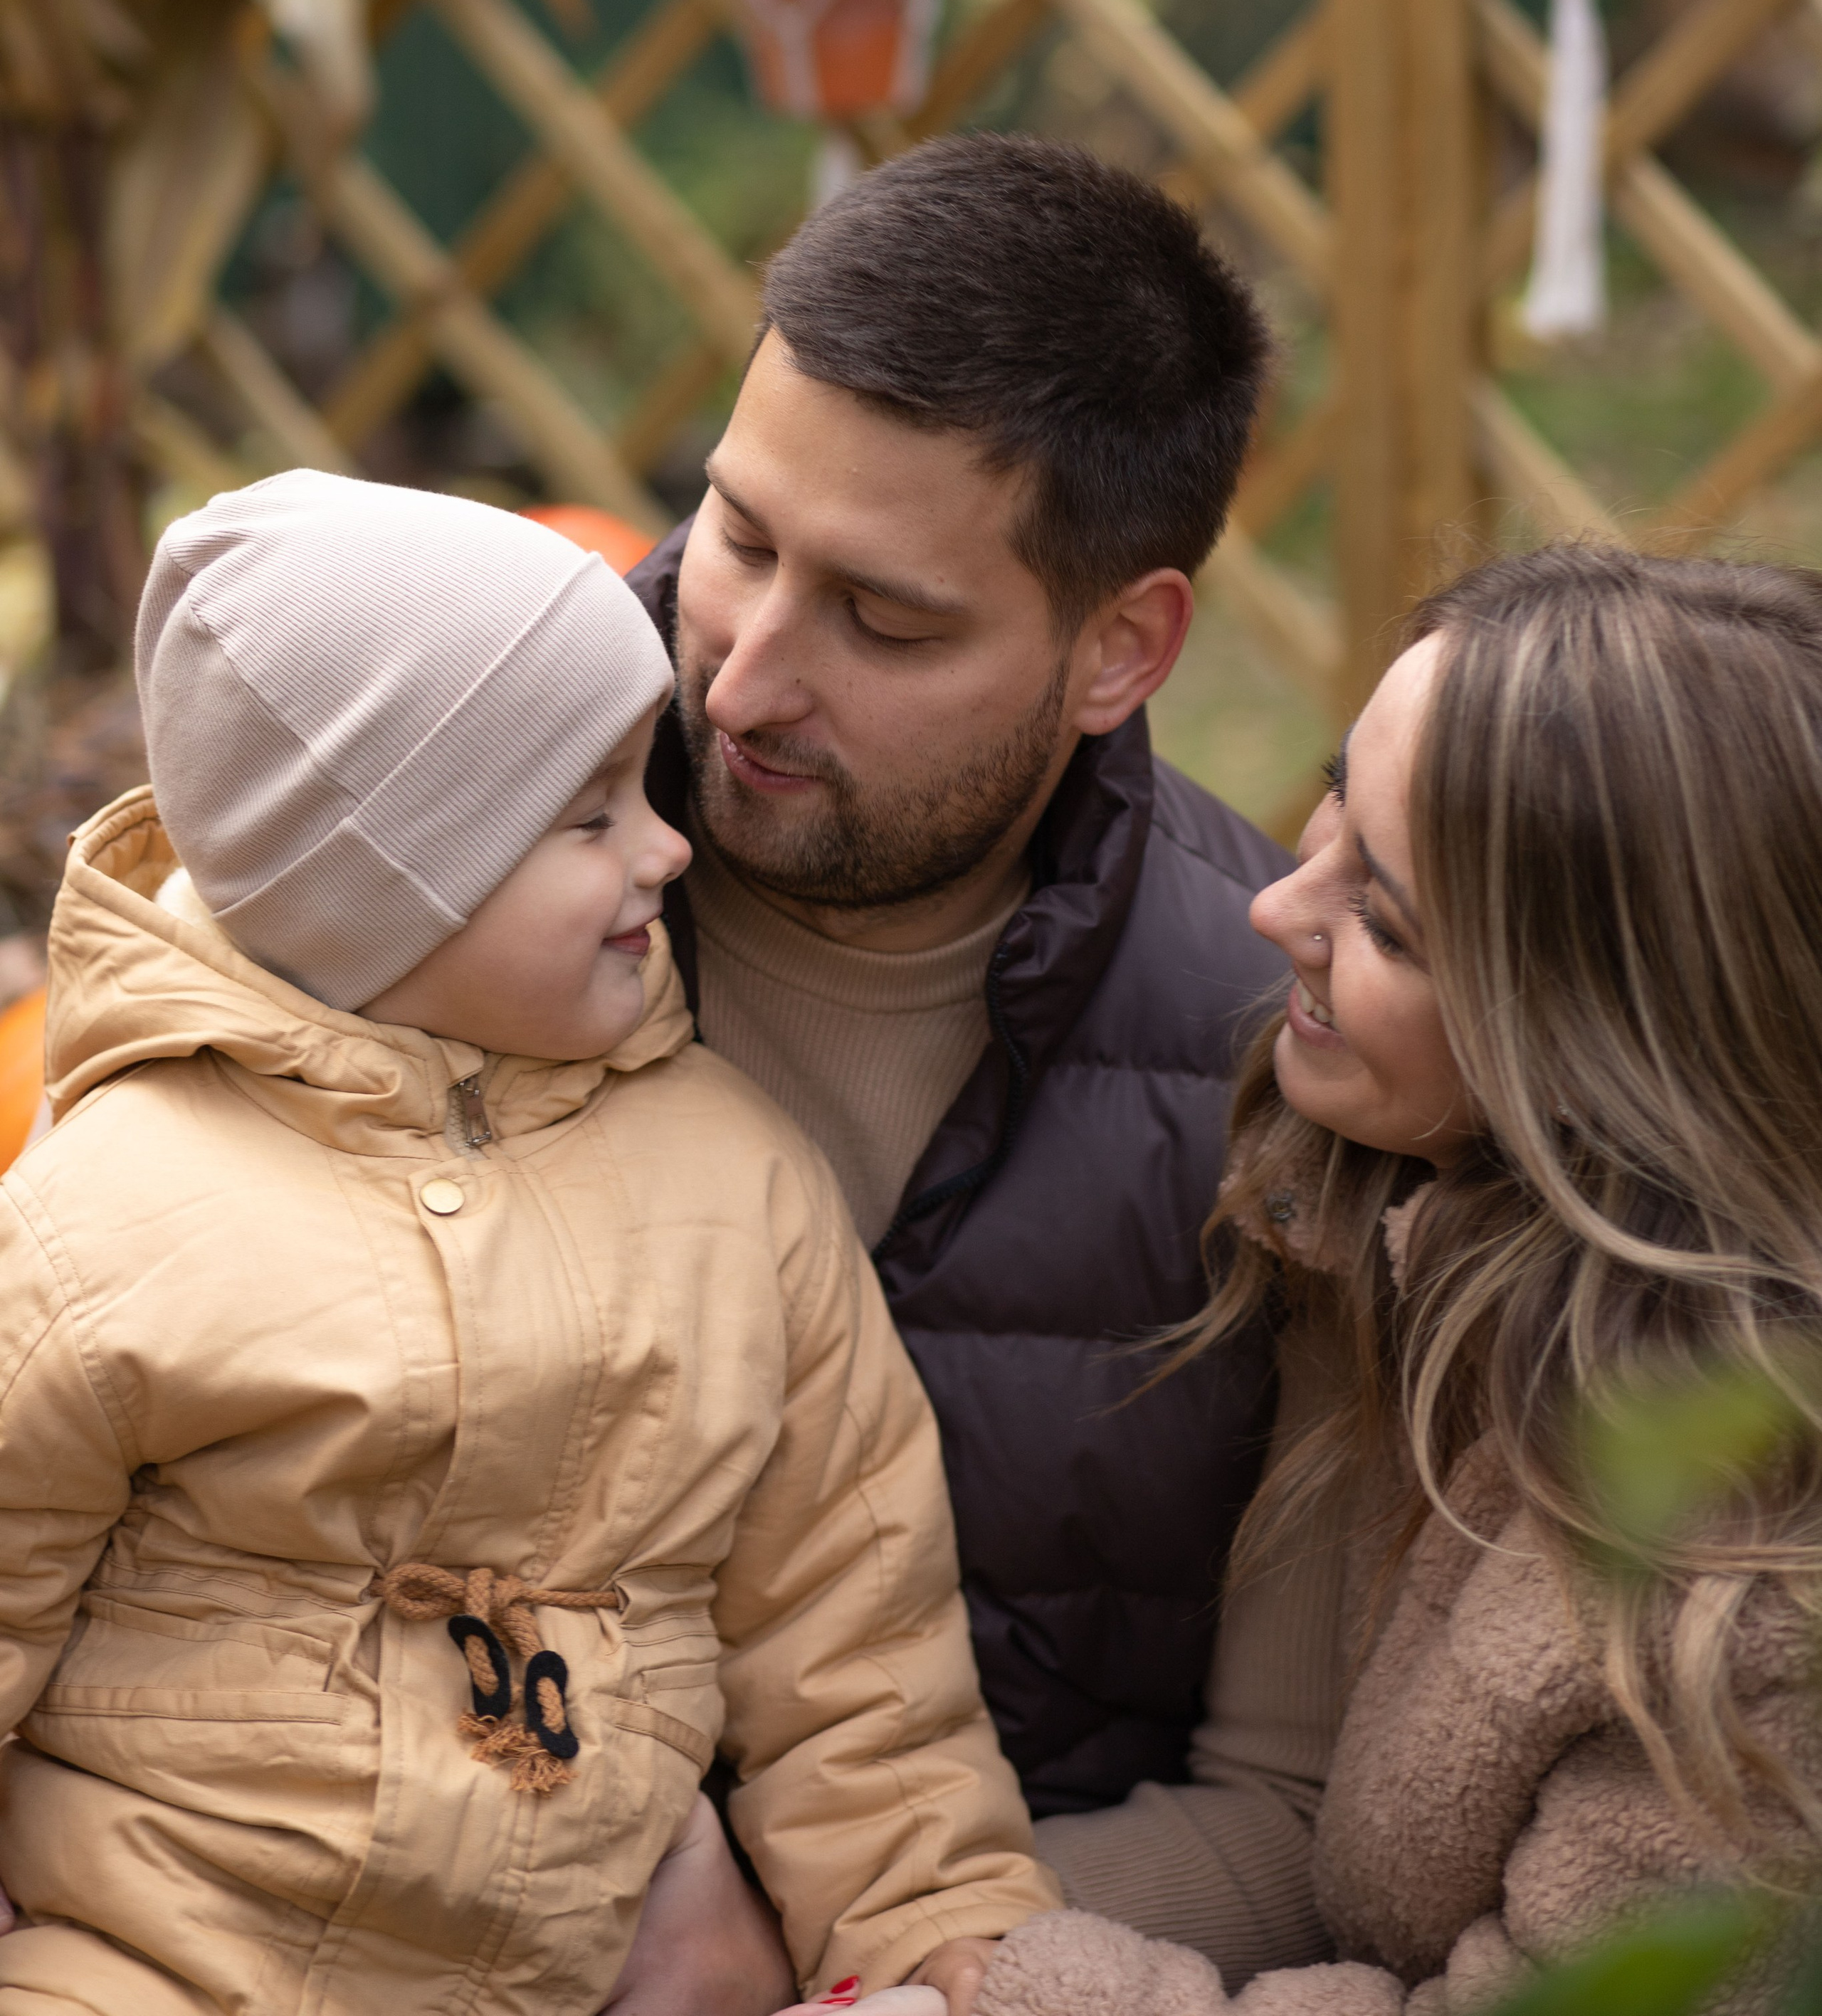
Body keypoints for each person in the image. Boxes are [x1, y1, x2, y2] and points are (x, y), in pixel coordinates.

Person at [0, 473, 1056, 2015]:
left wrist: (925, 1940)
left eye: (647, 790)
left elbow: (859, 1654)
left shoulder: (740, 1189)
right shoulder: (107, 1220)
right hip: (153, 1964)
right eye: (588, 817)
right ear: (384, 892)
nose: (667, 851)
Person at [622, 139, 1318, 1999]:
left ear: (1121, 647)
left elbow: (1292, 1810)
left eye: (885, 619)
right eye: (737, 537)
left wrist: (791, 1952)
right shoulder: (426, 849)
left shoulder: (1294, 1064)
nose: (745, 676)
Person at [959, 544, 1822, 2015]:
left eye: (1386, 922)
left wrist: (991, 1991)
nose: (1273, 911)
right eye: (1332, 803)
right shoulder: (1409, 1235)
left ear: (1611, 1049)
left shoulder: (1742, 1616)